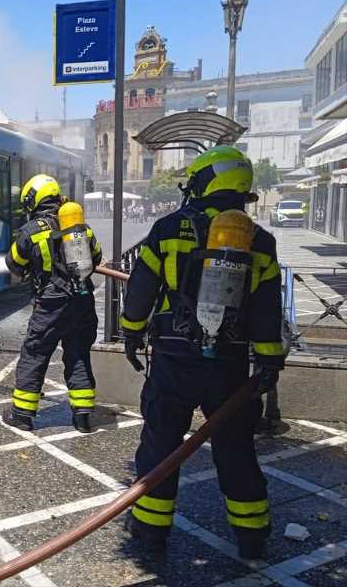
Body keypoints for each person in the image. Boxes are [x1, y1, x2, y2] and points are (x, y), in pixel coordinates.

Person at [120, 146, 285, 559]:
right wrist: (269, 362)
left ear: (203, 181)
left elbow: (140, 290)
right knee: (235, 448)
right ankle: (252, 536)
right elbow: (267, 309)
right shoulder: (259, 242)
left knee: (161, 444)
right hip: (229, 364)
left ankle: (151, 532)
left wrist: (130, 332)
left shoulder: (169, 229)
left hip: (175, 360)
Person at [4, 174, 102, 433]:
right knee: (78, 354)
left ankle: (22, 414)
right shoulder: (80, 227)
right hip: (82, 301)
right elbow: (97, 257)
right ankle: (83, 417)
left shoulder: (31, 231)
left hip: (50, 304)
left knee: (35, 354)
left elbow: (14, 263)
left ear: (34, 199)